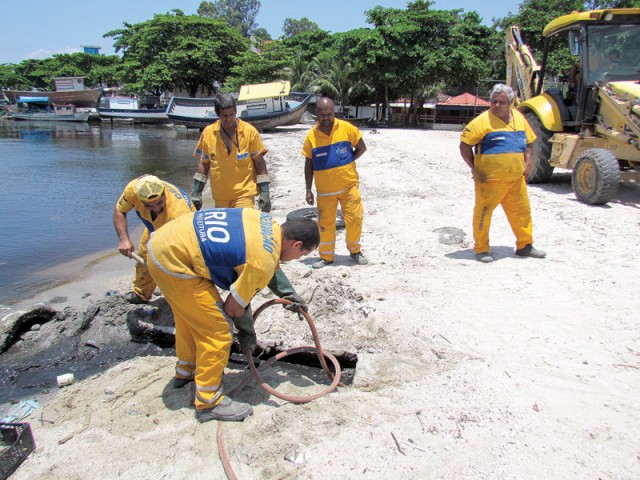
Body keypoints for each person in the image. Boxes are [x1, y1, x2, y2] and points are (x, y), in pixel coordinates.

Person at [146, 208, 319, 422]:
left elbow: (265, 260)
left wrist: (289, 294)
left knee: (192, 317)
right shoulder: (262, 262)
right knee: (218, 331)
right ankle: (209, 402)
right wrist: (247, 336)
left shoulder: (265, 223)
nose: (295, 259)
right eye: (302, 255)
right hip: (174, 263)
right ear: (297, 245)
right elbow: (234, 308)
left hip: (164, 242)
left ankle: (185, 373)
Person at [459, 84, 546, 263]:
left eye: (502, 102)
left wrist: (527, 166)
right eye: (494, 101)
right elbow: (464, 146)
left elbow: (529, 143)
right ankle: (482, 249)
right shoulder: (482, 122)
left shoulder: (520, 119)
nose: (497, 105)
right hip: (489, 181)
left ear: (511, 103)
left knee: (522, 212)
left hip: (516, 180)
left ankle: (525, 246)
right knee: (483, 213)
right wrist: (475, 168)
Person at [302, 96, 368, 269]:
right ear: (317, 113)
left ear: (334, 112)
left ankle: (355, 251)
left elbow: (362, 147)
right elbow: (308, 164)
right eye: (322, 114)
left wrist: (348, 160)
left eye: (329, 114)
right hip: (325, 192)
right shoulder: (311, 137)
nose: (326, 117)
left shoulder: (346, 129)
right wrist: (308, 189)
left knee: (355, 219)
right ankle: (326, 257)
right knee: (325, 224)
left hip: (349, 187)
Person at [113, 174, 196, 303]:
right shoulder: (132, 190)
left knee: (176, 264)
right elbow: (120, 211)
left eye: (159, 203)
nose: (156, 208)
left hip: (180, 230)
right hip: (153, 225)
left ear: (164, 193)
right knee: (145, 255)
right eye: (149, 206)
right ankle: (141, 293)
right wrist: (124, 239)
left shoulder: (179, 211)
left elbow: (187, 247)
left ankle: (186, 298)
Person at [191, 93, 271, 213]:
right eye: (224, 116)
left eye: (231, 114)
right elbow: (204, 164)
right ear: (218, 114)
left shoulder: (249, 132)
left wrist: (265, 192)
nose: (228, 119)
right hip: (220, 197)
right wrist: (196, 192)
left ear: (236, 111)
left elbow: (259, 162)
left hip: (245, 193)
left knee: (242, 227)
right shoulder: (208, 133)